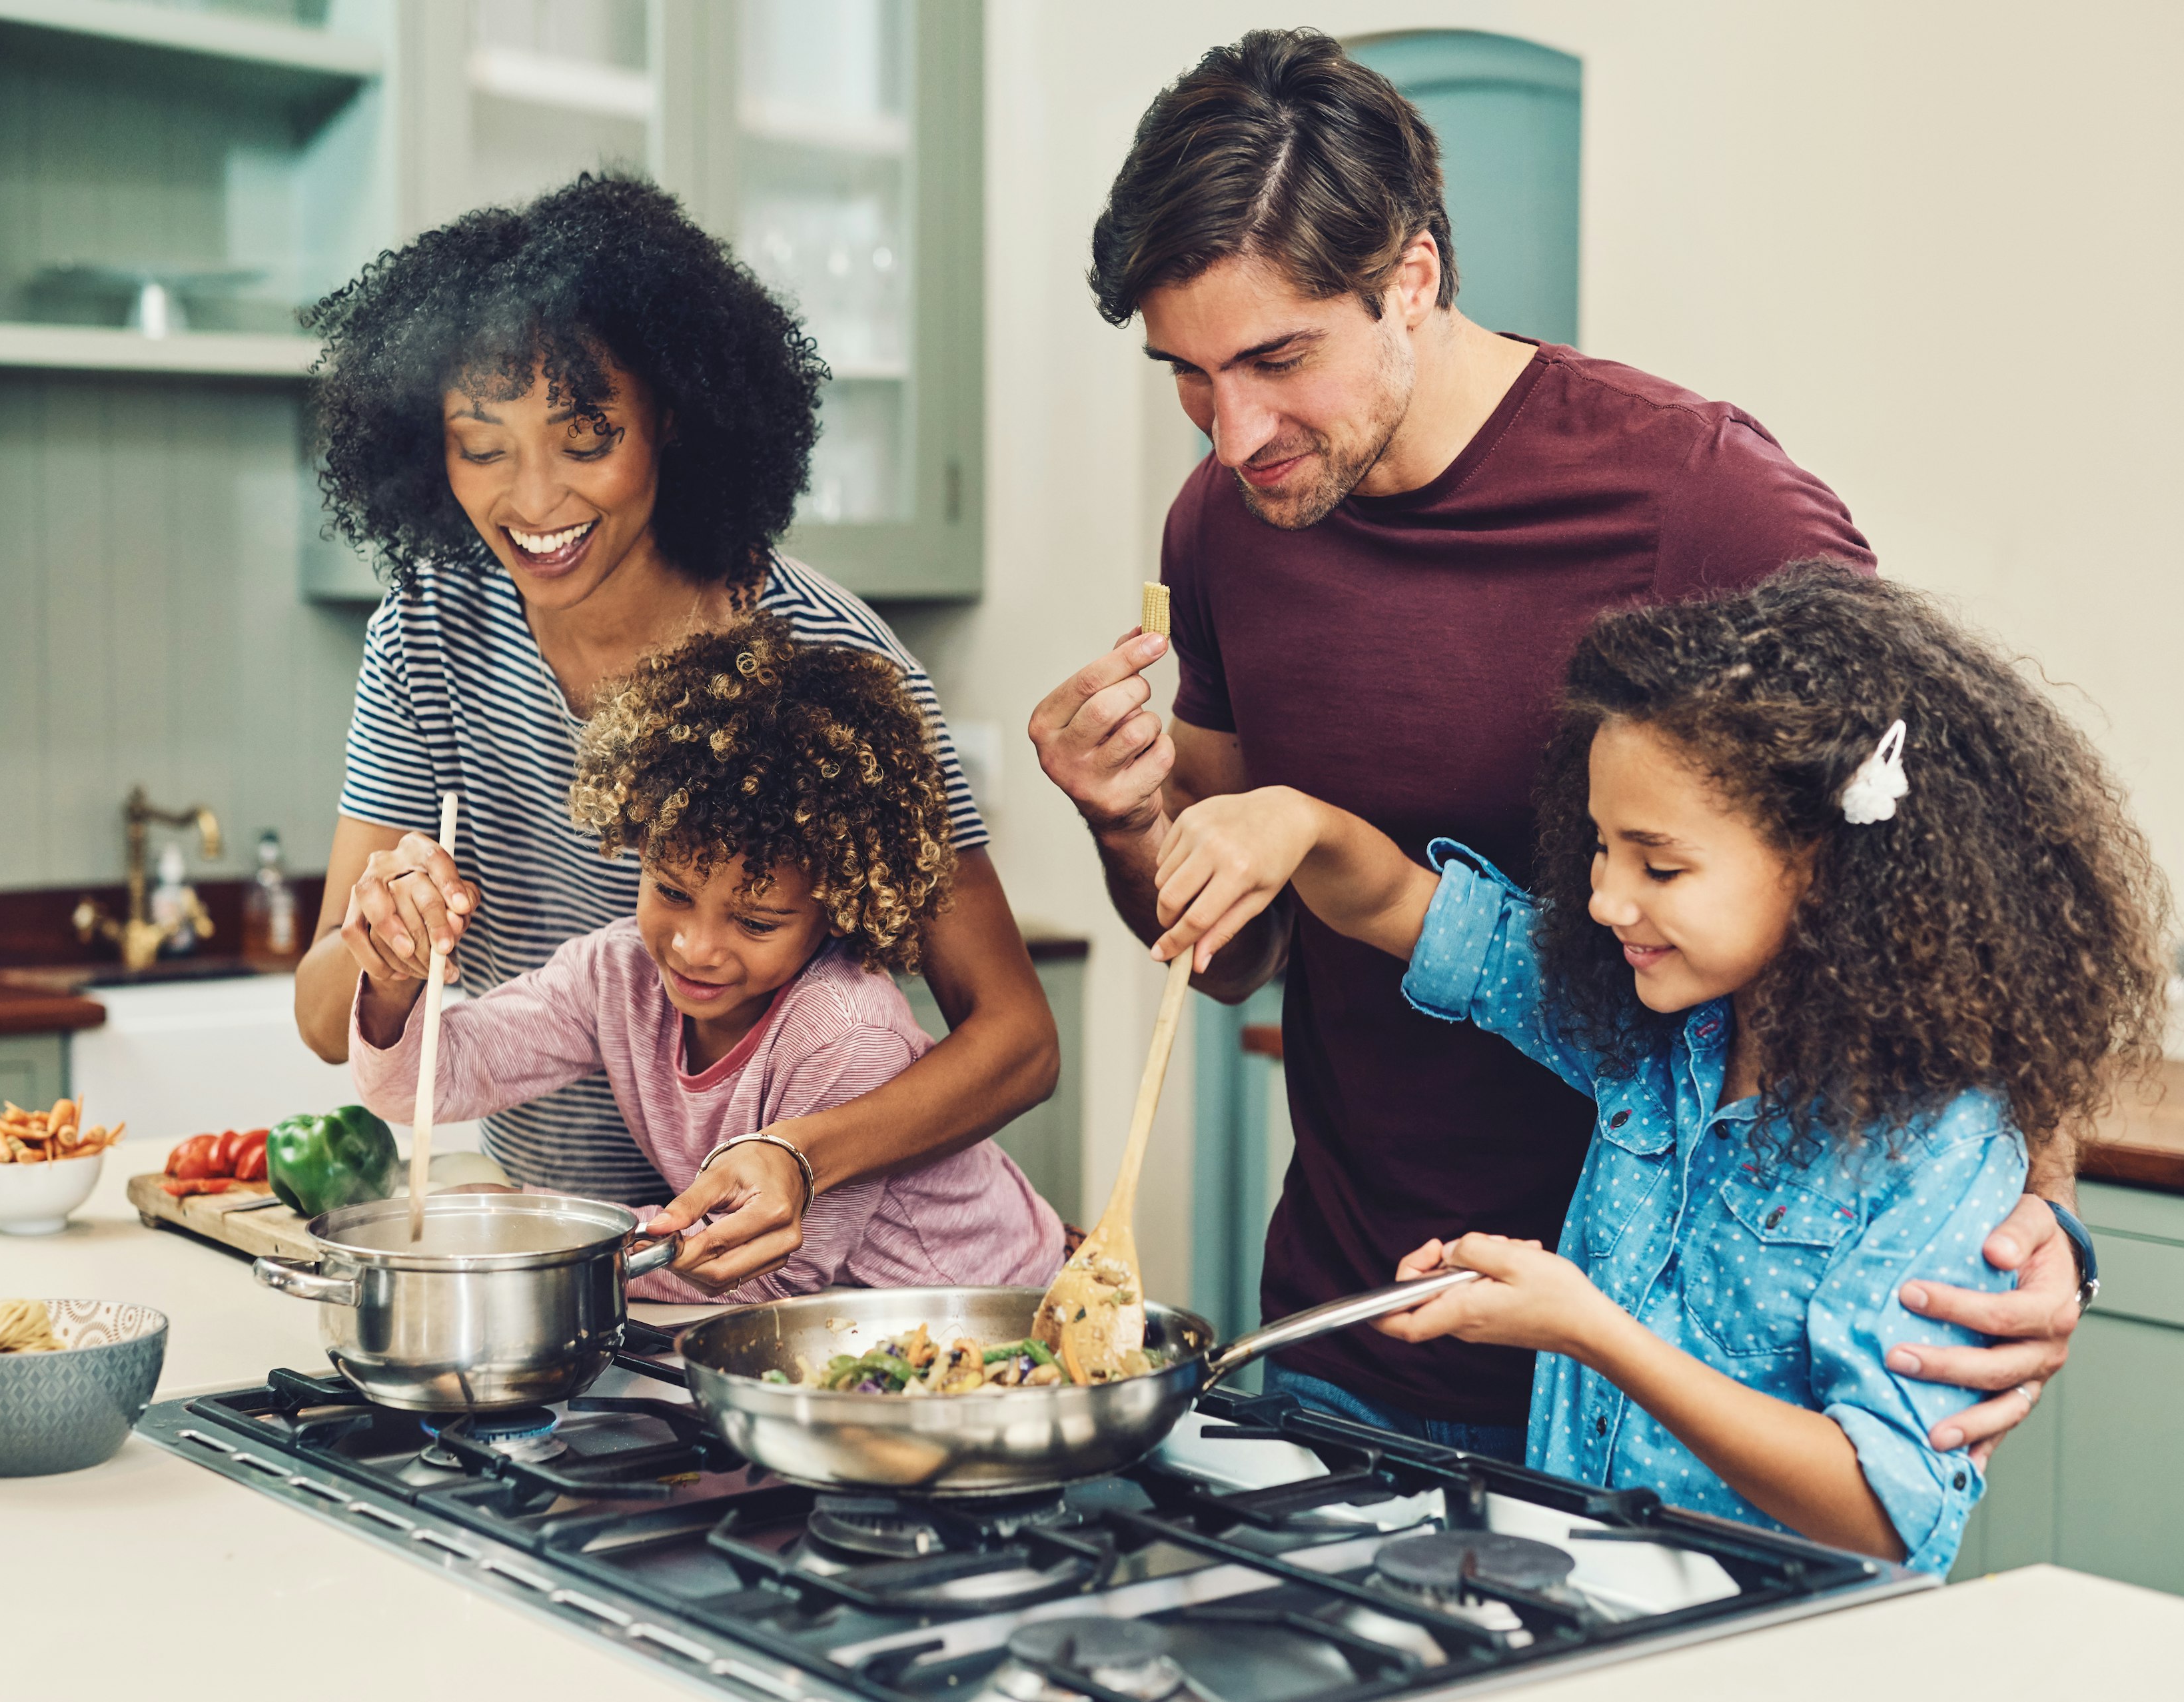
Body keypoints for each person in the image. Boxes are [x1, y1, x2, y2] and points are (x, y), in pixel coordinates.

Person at [1029, 29, 2083, 1457]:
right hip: (1357, 1332)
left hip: (1699, 1396)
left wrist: (2049, 1211)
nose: (1234, 432)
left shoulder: (1703, 500)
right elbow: (1235, 960)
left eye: (1278, 359)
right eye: (1188, 375)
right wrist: (1124, 820)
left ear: (1412, 276)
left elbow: (1965, 873)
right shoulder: (1225, 527)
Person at [1144, 568, 2169, 1573]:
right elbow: (1400, 907)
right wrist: (1299, 822)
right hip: (1595, 1597)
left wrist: (1591, 1330)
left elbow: (1881, 1508)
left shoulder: (1937, 1144)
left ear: (1818, 863)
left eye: (1659, 864)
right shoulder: (1645, 1030)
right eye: (1599, 848)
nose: (1605, 899)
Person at [294, 174, 1057, 1291]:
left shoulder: (830, 665)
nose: (533, 496)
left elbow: (1017, 1039)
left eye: (586, 434)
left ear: (675, 421)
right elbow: (329, 1018)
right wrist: (386, 949)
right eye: (483, 444)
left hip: (770, 1272)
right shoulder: (428, 629)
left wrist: (799, 1153)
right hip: (571, 1252)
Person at [349, 617, 1065, 1303]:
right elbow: (421, 1083)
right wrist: (395, 975)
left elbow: (767, 1271)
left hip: (985, 1301)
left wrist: (534, 1228)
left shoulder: (846, 1032)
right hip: (841, 1314)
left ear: (838, 905)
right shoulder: (619, 975)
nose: (695, 947)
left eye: (755, 921)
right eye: (671, 890)